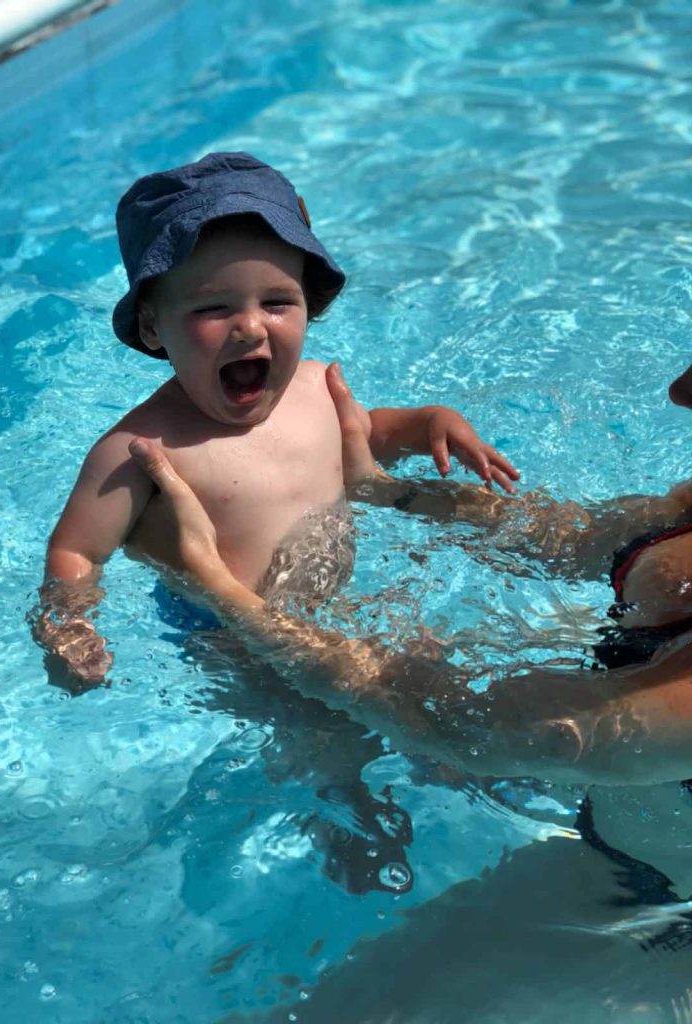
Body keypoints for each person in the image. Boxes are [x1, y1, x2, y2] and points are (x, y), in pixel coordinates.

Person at [129, 363, 692, 1021]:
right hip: (638, 779)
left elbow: (494, 732)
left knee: (358, 1011)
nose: (678, 391)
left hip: (652, 904)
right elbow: (576, 536)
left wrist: (218, 588)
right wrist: (386, 491)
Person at [33, 152, 519, 692]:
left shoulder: (315, 389)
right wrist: (69, 627)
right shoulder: (137, 449)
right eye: (213, 309)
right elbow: (78, 549)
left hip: (336, 607)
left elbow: (371, 434)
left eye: (277, 302)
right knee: (329, 744)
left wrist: (431, 421)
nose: (249, 327)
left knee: (441, 679)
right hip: (230, 637)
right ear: (152, 326)